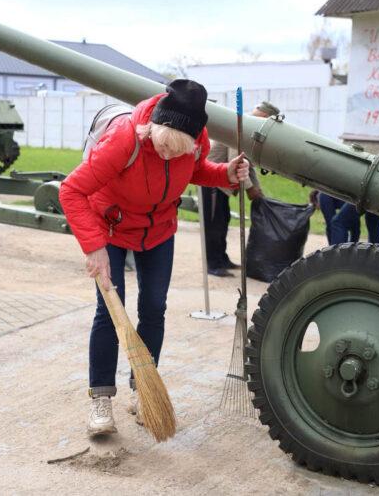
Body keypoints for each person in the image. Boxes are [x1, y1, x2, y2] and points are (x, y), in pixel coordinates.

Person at [59, 79, 250, 436]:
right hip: (111, 228)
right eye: (162, 146)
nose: (166, 154)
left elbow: (195, 171)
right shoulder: (125, 139)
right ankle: (101, 400)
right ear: (153, 129)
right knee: (110, 313)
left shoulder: (193, 144)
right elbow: (71, 191)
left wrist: (224, 173)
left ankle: (142, 393)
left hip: (159, 230)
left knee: (153, 309)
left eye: (175, 151)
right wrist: (94, 245)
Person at [201, 101, 280, 277]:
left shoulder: (250, 132)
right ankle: (213, 264)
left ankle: (222, 258)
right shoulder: (241, 130)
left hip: (222, 184)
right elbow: (235, 163)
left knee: (223, 221)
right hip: (212, 181)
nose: (251, 119)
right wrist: (251, 189)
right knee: (214, 224)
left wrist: (257, 189)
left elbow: (248, 165)